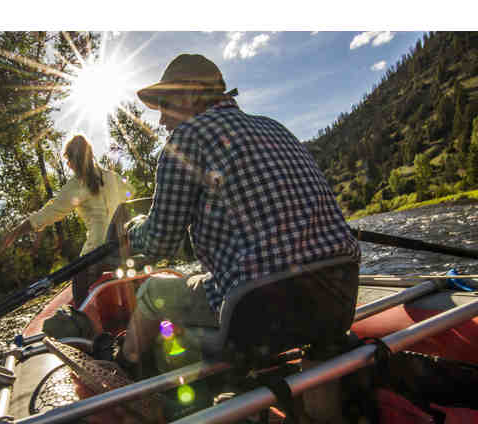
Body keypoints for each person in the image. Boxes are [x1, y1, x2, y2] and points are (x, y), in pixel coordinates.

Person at [117, 54, 361, 368]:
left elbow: (160, 242)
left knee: (152, 292)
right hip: (340, 296)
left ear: (191, 94)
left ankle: (124, 368)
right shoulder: (275, 127)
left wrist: (131, 232)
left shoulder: (187, 139)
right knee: (212, 278)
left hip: (260, 311)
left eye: (165, 104)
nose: (161, 119)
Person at [1, 134, 132, 306]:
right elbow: (131, 192)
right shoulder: (113, 177)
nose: (68, 165)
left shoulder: (77, 184)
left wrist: (15, 232)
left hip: (98, 254)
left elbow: (49, 213)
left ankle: (83, 323)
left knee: (79, 281)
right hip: (125, 249)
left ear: (72, 160)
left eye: (68, 160)